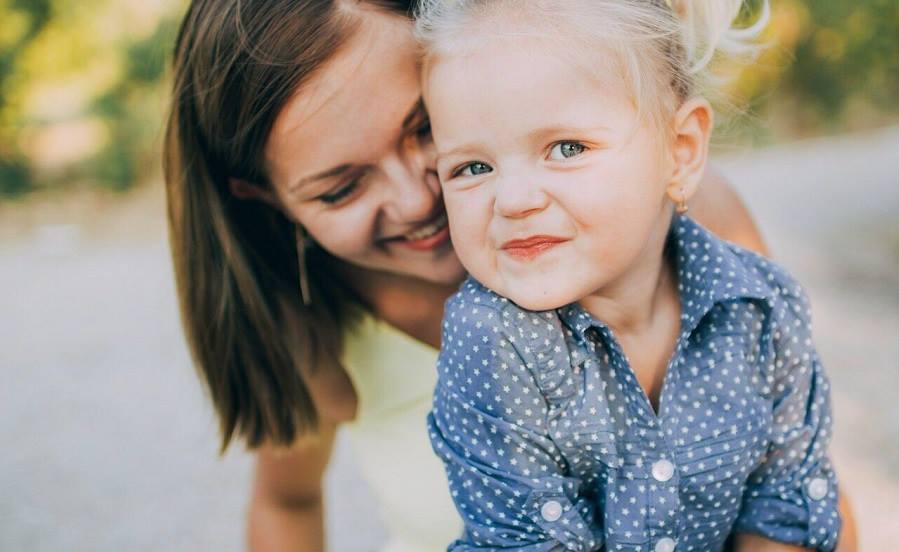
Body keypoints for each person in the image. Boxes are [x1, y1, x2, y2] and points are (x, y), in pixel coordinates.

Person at [162, 1, 856, 550]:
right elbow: (286, 501)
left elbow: (792, 466)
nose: (417, 197)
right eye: (340, 189)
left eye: (426, 127)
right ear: (268, 200)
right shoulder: (313, 326)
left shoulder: (700, 237)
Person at [416, 0, 844, 550]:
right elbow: (529, 540)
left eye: (566, 148)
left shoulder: (761, 306)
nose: (514, 200)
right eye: (473, 167)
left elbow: (784, 503)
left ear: (680, 151)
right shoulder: (494, 340)